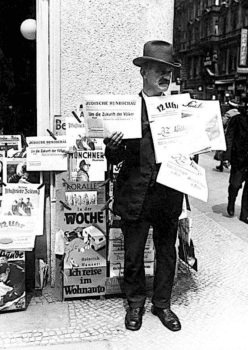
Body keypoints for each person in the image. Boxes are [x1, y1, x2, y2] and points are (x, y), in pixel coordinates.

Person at [104, 41, 184, 332]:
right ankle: (135, 303)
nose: (165, 77)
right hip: (134, 193)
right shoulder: (125, 110)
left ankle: (162, 305)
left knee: (166, 253)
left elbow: (190, 150)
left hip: (168, 193)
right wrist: (111, 147)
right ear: (144, 72)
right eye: (160, 71)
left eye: (169, 72)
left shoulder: (179, 109)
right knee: (133, 254)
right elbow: (115, 158)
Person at [222, 99, 248, 223]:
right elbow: (229, 138)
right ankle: (231, 202)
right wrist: (226, 157)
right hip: (239, 158)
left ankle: (245, 214)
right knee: (235, 184)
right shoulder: (237, 120)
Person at [214, 103, 240, 172]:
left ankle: (221, 165)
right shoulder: (238, 114)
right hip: (236, 135)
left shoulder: (229, 113)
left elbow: (223, 122)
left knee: (222, 149)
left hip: (227, 133)